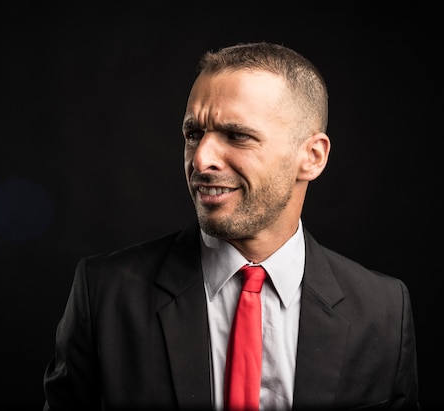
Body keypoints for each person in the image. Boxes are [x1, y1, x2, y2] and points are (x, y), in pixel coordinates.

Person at [41, 42, 420, 410]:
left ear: (312, 157)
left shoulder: (384, 311)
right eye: (193, 134)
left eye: (237, 135)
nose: (201, 159)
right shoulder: (104, 295)